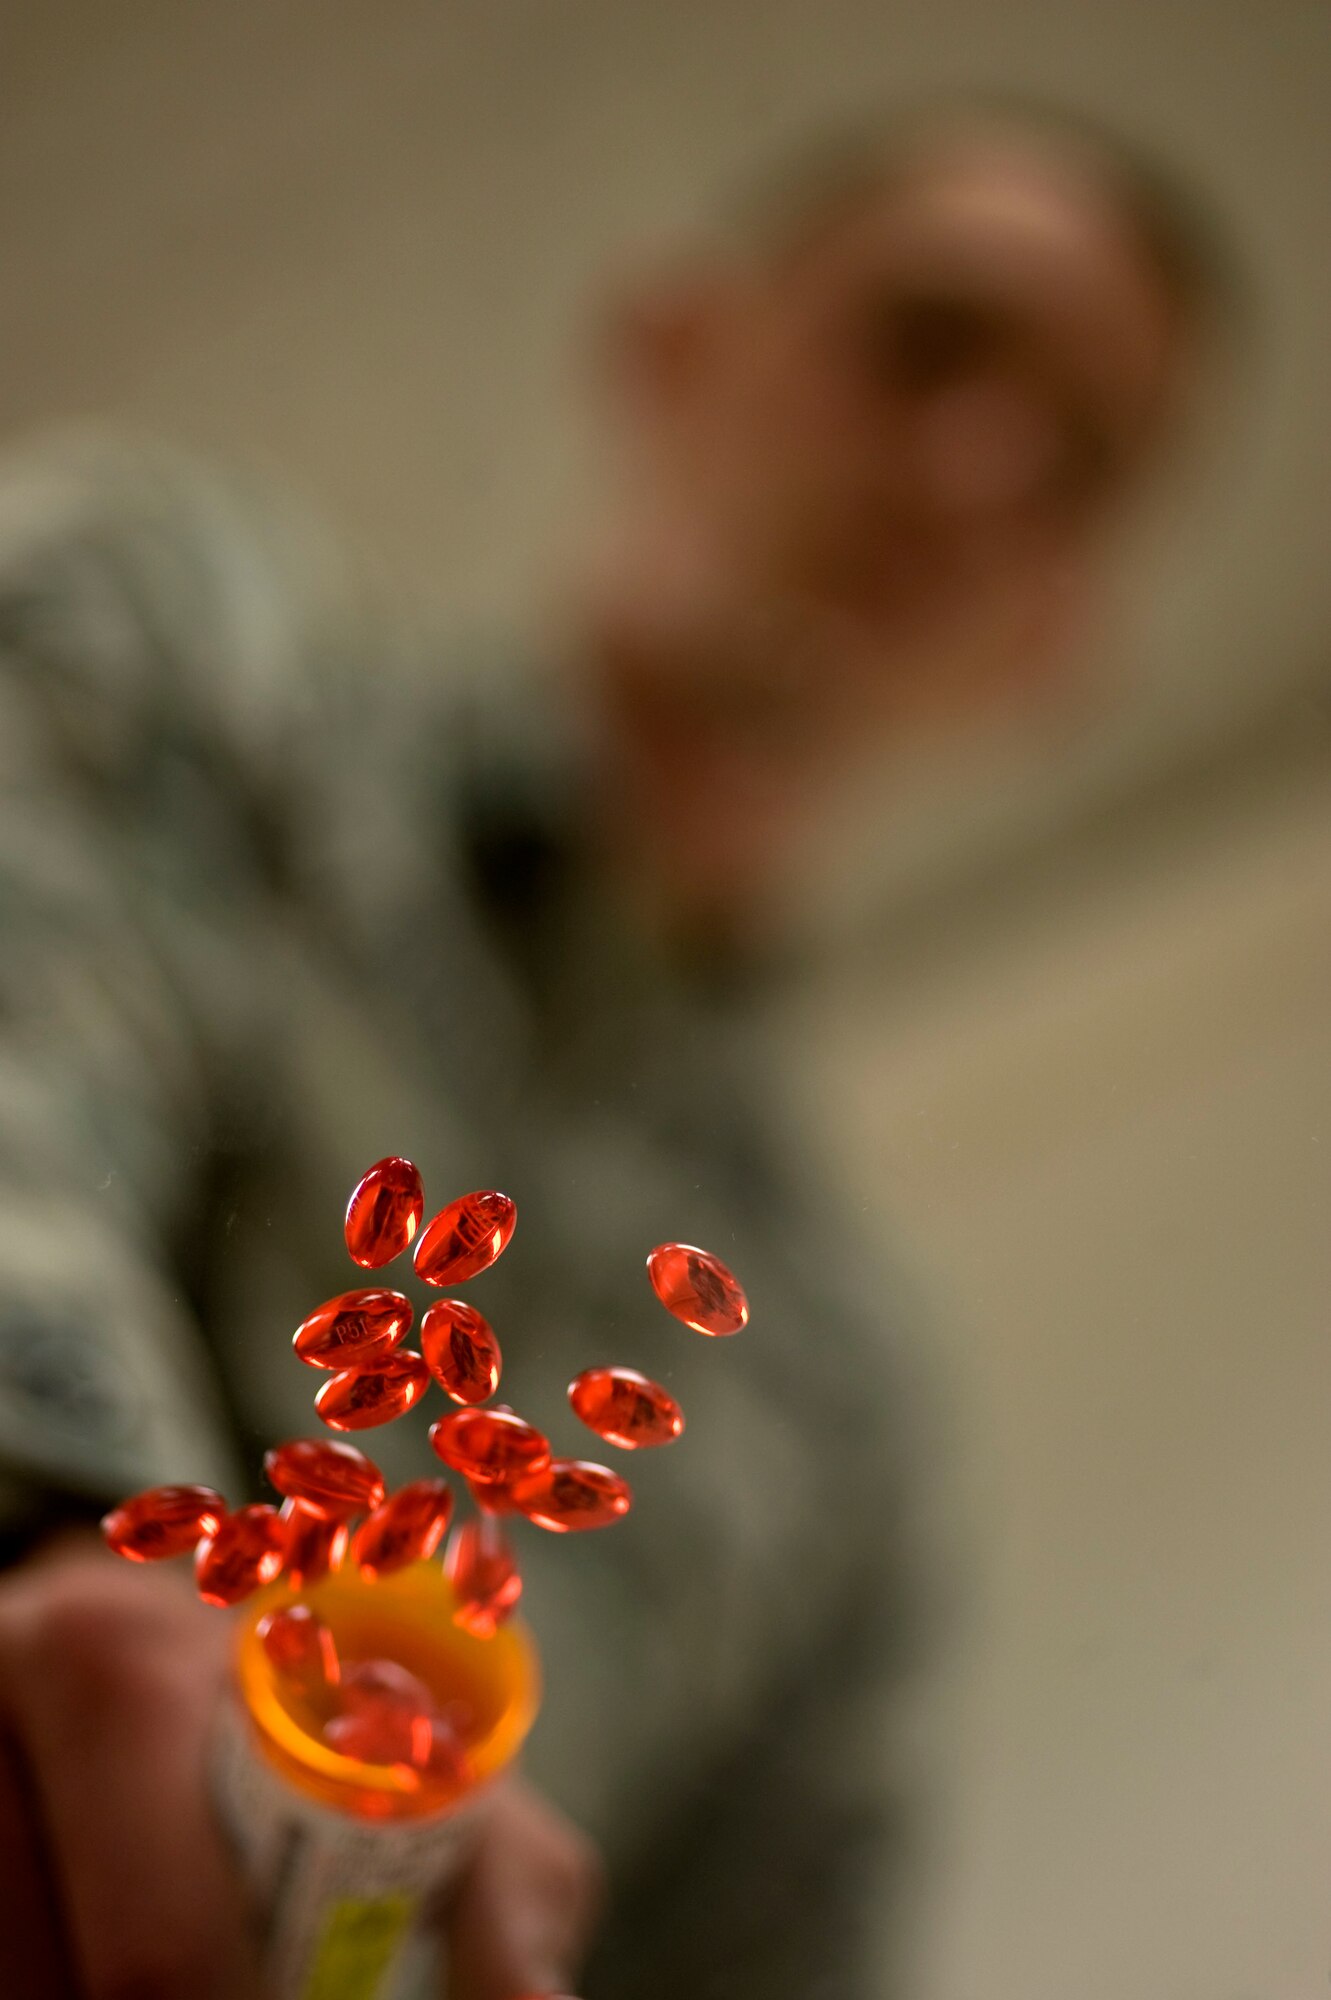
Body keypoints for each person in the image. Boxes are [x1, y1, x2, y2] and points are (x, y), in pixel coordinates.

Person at [0, 100, 1226, 1999]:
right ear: (673, 346)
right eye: (927, 340)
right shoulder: (181, 645)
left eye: (1076, 466)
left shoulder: (837, 1427)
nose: (974, 467)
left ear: (1062, 644)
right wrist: (88, 1544)